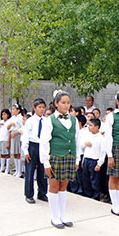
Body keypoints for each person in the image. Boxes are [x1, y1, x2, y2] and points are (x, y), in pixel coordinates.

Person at [40, 90, 79, 228]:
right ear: (56, 103)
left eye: (68, 103)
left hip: (69, 156)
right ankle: (54, 216)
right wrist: (46, 162)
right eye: (63, 103)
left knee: (64, 186)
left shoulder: (74, 119)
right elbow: (44, 142)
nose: (66, 105)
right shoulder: (50, 120)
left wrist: (77, 159)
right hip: (55, 156)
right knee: (54, 185)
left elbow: (76, 140)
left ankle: (63, 215)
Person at [21, 99, 48, 204]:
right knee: (30, 171)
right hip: (33, 146)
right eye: (39, 107)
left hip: (43, 146)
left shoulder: (46, 121)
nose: (41, 109)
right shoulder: (30, 121)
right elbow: (25, 136)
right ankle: (29, 194)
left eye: (43, 107)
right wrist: (26, 151)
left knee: (43, 171)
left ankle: (42, 193)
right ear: (34, 108)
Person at [79, 118, 106, 200]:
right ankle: (88, 194)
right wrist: (85, 144)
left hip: (95, 160)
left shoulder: (101, 138)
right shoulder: (87, 135)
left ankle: (95, 195)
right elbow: (81, 147)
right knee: (86, 179)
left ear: (97, 127)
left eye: (91, 125)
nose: (89, 127)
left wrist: (99, 164)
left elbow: (103, 152)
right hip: (87, 159)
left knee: (94, 180)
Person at [0, 109, 12, 173]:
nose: (3, 116)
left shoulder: (9, 122)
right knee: (2, 154)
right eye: (2, 114)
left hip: (6, 140)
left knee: (7, 154)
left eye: (5, 114)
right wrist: (0, 123)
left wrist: (8, 142)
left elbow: (10, 132)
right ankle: (2, 167)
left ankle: (7, 169)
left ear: (8, 115)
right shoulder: (2, 122)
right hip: (1, 139)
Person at [7, 104, 23, 177]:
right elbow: (7, 127)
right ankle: (16, 170)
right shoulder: (12, 118)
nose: (12, 111)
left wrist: (16, 132)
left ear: (18, 110)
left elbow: (22, 127)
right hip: (13, 135)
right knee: (15, 153)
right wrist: (10, 125)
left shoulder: (20, 118)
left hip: (18, 135)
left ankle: (19, 171)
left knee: (18, 153)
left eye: (14, 109)